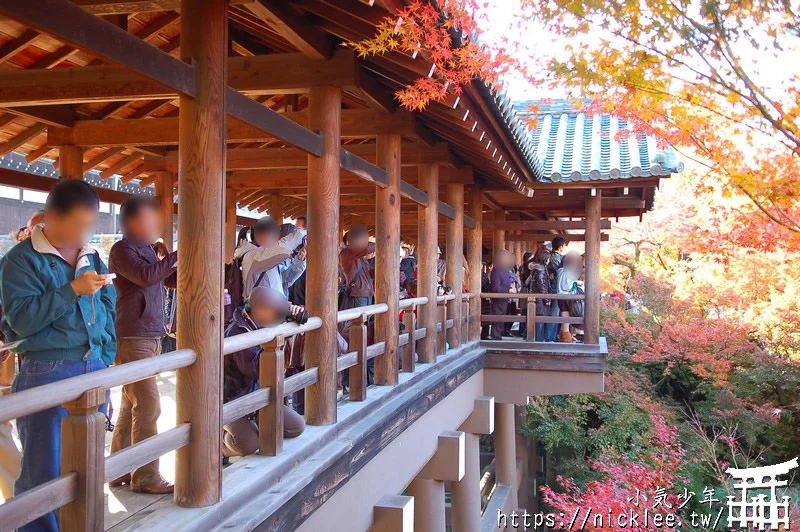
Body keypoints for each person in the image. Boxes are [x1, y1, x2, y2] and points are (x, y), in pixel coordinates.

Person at [0, 180, 116, 531]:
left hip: (92, 366)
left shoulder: (92, 256)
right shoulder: (20, 260)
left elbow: (108, 308)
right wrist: (71, 291)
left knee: (87, 465)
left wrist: (105, 358)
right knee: (42, 470)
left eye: (90, 225)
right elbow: (20, 321)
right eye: (78, 225)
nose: (85, 233)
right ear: (50, 217)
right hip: (46, 368)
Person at [107, 196, 177, 494]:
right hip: (133, 336)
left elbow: (164, 279)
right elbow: (146, 276)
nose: (156, 225)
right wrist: (175, 256)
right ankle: (146, 475)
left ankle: (119, 469)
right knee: (148, 405)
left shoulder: (147, 250)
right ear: (133, 221)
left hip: (148, 335)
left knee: (130, 405)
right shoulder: (122, 250)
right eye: (152, 219)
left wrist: (173, 261)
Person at [223, 286, 306, 456]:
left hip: (262, 397)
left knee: (296, 426)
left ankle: (256, 423)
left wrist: (298, 316)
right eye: (276, 313)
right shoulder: (237, 332)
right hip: (233, 401)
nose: (280, 318)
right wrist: (280, 337)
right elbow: (258, 369)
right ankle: (221, 445)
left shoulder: (263, 322)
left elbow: (288, 313)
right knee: (249, 444)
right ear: (260, 311)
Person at [241, 217, 306, 300]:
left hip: (272, 308)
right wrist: (301, 233)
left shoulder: (269, 260)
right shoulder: (253, 256)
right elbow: (282, 249)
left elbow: (286, 281)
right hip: (258, 309)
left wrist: (299, 261)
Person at [339, 225, 376, 309]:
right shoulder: (346, 253)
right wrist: (383, 243)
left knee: (364, 321)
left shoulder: (360, 256)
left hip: (367, 293)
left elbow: (369, 274)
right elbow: (368, 248)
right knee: (358, 321)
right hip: (358, 294)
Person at [525, 246, 553, 341]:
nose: (549, 260)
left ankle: (536, 339)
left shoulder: (535, 269)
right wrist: (547, 299)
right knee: (540, 321)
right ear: (545, 259)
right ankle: (538, 341)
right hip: (540, 300)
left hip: (536, 298)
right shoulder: (541, 271)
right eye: (548, 258)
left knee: (537, 321)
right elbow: (542, 287)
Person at [556, 250, 583, 342]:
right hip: (566, 296)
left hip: (560, 296)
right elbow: (566, 286)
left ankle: (564, 337)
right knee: (566, 318)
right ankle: (566, 338)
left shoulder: (560, 271)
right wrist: (576, 283)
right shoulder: (566, 272)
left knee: (565, 318)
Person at [488, 249, 515, 340]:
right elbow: (495, 287)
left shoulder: (505, 270)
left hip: (504, 298)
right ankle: (495, 336)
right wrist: (508, 290)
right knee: (497, 319)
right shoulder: (496, 271)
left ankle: (499, 335)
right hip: (498, 299)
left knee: (501, 319)